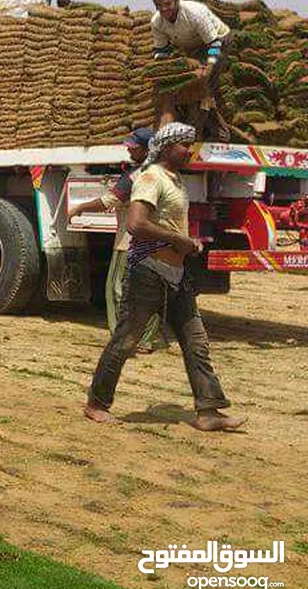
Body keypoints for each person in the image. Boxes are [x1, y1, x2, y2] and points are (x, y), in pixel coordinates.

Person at [85, 123, 244, 432]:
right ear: (167, 147)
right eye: (185, 144)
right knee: (126, 340)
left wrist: (187, 243)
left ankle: (209, 411)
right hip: (149, 271)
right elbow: (135, 224)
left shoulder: (175, 180)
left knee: (195, 341)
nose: (189, 150)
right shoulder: (150, 178)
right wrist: (178, 241)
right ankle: (96, 403)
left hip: (177, 274)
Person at [70, 127, 169, 352]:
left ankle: (124, 338)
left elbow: (110, 200)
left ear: (146, 149)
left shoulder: (136, 175)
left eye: (133, 148)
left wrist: (81, 207)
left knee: (117, 288)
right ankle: (146, 338)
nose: (128, 150)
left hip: (130, 243)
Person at [150, 0, 232, 127]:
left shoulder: (195, 14)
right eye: (159, 5)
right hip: (191, 47)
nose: (164, 9)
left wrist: (209, 67)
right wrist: (166, 71)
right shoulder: (157, 21)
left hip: (217, 41)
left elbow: (214, 44)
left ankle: (211, 127)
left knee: (202, 82)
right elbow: (161, 51)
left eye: (168, 4)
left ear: (177, 1)